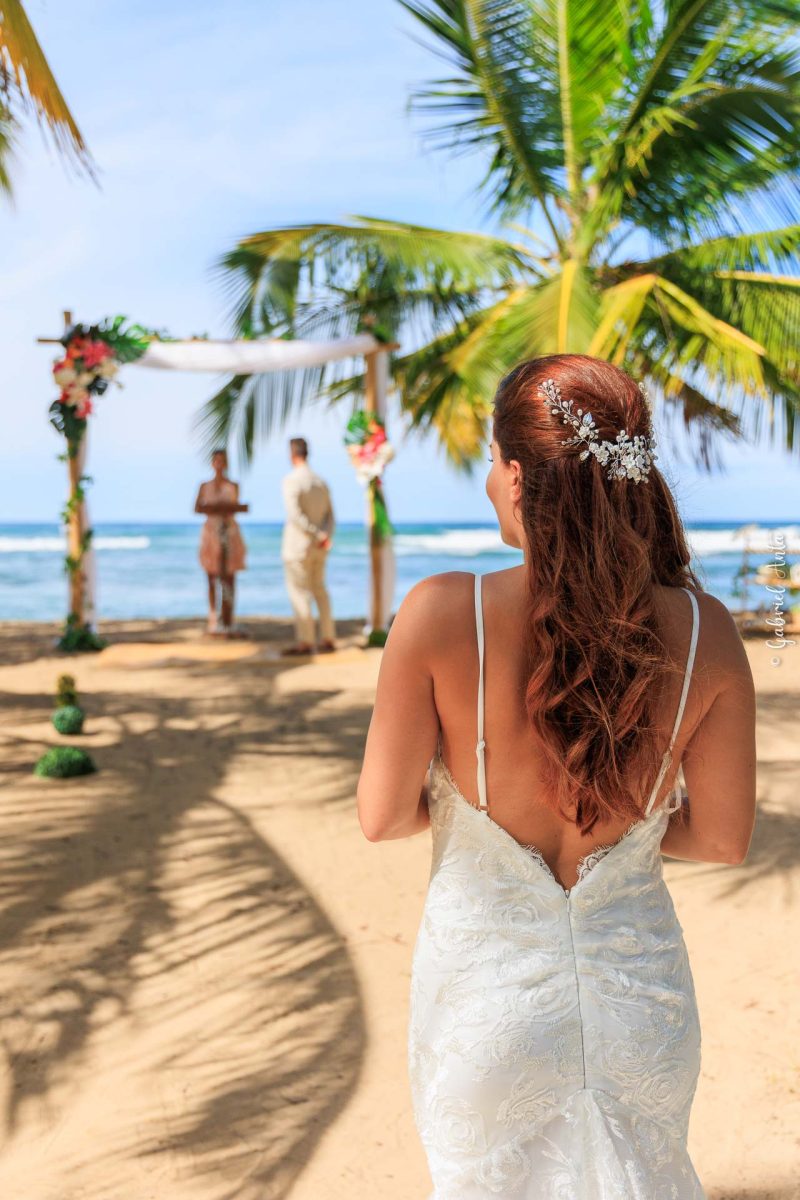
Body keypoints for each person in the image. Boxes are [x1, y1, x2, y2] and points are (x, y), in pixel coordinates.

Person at [357, 354, 756, 1198]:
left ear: (512, 472)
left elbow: (383, 816)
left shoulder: (439, 612)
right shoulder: (705, 630)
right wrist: (634, 819)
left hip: (486, 1007)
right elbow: (721, 839)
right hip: (639, 1005)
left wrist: (466, 802)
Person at [280, 436, 337, 655]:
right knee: (320, 590)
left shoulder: (292, 480)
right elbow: (331, 516)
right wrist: (324, 535)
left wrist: (314, 534)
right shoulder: (321, 481)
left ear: (292, 453)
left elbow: (295, 514)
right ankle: (328, 636)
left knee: (300, 592)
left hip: (299, 546)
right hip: (320, 546)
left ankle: (306, 640)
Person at [194, 448, 248, 637]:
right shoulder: (204, 486)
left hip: (229, 530)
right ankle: (213, 617)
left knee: (230, 576)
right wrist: (213, 509)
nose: (219, 464)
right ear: (212, 463)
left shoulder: (233, 485)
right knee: (211, 576)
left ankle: (229, 616)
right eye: (216, 460)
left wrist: (226, 510)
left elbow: (236, 506)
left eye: (222, 460)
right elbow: (197, 507)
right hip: (211, 532)